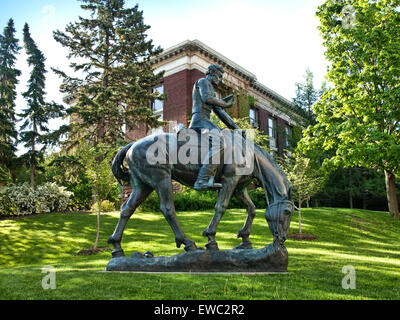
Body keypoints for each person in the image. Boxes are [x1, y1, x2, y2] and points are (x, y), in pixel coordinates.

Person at [189, 64, 240, 191]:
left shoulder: (211, 88)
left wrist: (236, 128)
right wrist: (225, 103)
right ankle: (202, 180)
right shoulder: (203, 82)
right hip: (199, 120)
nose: (220, 80)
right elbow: (207, 99)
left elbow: (220, 112)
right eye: (219, 76)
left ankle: (215, 175)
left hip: (205, 121)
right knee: (220, 143)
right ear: (212, 73)